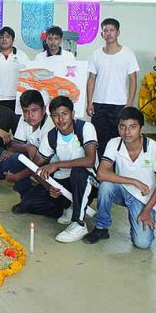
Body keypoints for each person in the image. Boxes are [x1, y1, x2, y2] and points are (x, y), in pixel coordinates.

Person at [84, 107, 156, 249]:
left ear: (141, 128)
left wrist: (147, 210)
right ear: (118, 127)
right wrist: (134, 182)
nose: (127, 132)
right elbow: (101, 173)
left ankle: (136, 223)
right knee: (105, 186)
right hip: (121, 191)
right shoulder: (114, 143)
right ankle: (101, 228)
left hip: (143, 198)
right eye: (122, 127)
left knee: (142, 243)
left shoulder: (154, 149)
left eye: (132, 127)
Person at [30, 96, 98, 243]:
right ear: (51, 117)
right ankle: (70, 206)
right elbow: (35, 168)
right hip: (65, 180)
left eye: (65, 114)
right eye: (56, 115)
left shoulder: (85, 128)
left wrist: (57, 164)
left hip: (89, 180)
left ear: (72, 114)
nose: (61, 119)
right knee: (28, 202)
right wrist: (49, 187)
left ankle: (79, 223)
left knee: (79, 172)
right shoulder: (51, 136)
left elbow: (90, 160)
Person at [86, 18, 140, 158]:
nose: (108, 33)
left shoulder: (128, 53)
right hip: (99, 104)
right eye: (105, 31)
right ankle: (102, 167)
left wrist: (129, 103)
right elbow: (91, 79)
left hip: (120, 105)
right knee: (100, 139)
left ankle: (119, 166)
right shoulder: (96, 54)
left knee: (120, 139)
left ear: (118, 32)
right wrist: (89, 102)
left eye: (112, 30)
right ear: (102, 34)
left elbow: (133, 79)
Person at [3, 90, 56, 208]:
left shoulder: (50, 126)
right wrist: (28, 147)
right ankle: (25, 193)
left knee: (49, 205)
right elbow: (15, 144)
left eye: (34, 110)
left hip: (49, 168)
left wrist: (17, 176)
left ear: (43, 109)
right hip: (33, 165)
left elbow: (42, 163)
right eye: (26, 111)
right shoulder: (24, 119)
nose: (29, 115)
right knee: (15, 158)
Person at [0, 27, 30, 111]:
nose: (4, 39)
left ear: (13, 40)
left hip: (17, 98)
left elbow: (29, 76)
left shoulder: (22, 55)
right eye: (1, 37)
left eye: (7, 37)